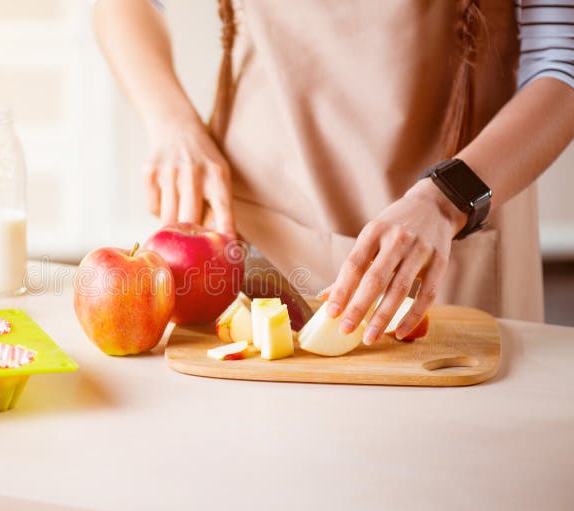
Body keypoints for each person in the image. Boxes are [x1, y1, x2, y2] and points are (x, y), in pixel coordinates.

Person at [93, 0, 574, 342]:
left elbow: (561, 61)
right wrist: (172, 124)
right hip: (258, 221)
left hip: (454, 217)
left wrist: (446, 199)